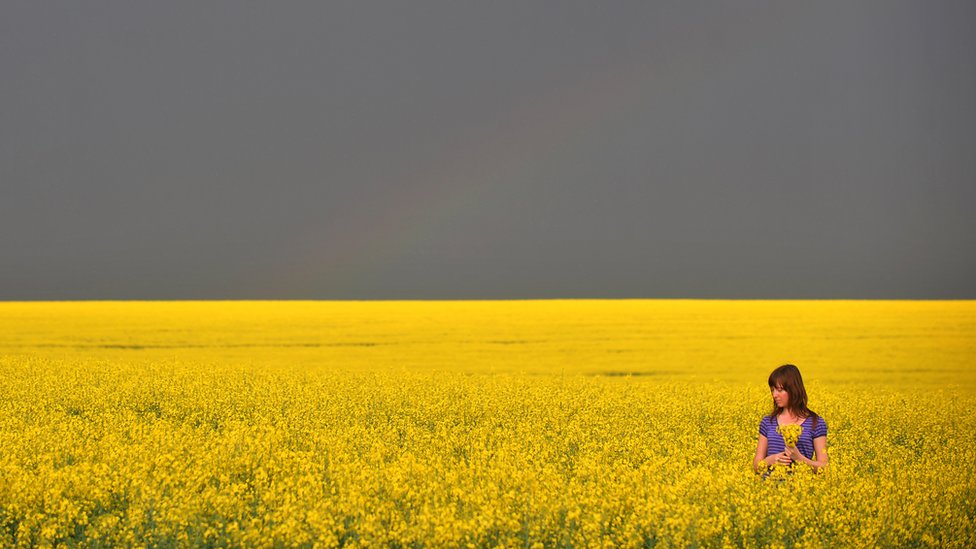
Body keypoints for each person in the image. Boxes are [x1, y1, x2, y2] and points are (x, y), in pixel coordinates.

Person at [753, 364, 828, 474]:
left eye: (779, 390)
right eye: (772, 390)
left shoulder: (816, 423)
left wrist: (800, 459)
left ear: (793, 389)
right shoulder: (768, 422)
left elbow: (824, 467)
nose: (774, 395)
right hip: (770, 488)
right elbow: (756, 466)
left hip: (801, 488)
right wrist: (771, 460)